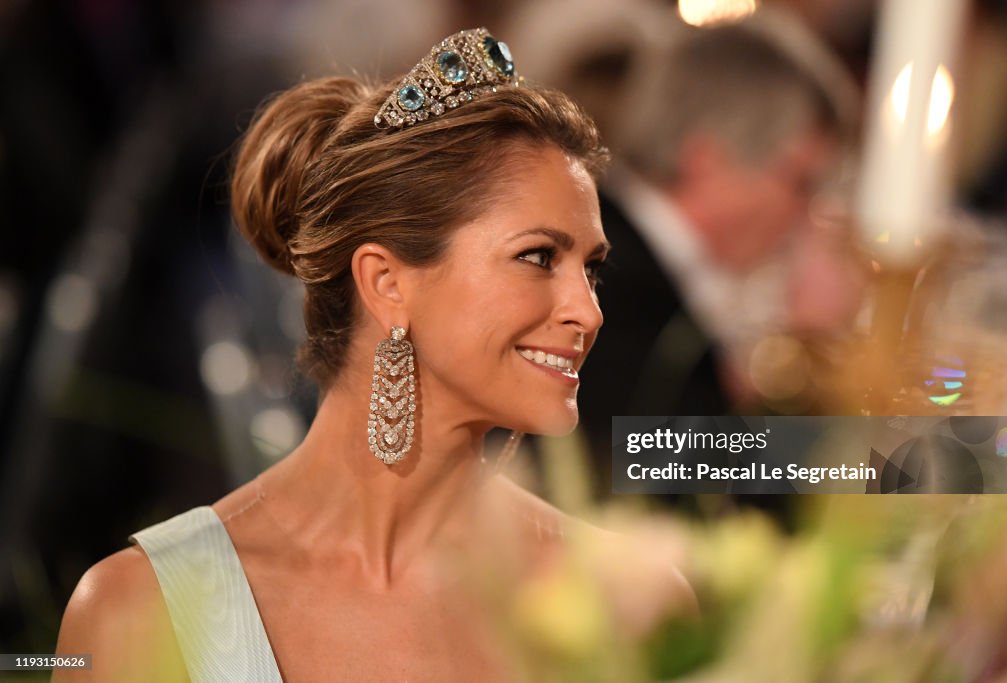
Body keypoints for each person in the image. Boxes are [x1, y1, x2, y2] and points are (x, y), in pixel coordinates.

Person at [52, 28, 693, 681]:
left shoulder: (631, 601)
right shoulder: (137, 609)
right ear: (386, 283)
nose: (588, 310)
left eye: (592, 270)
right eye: (538, 257)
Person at [576, 10, 861, 468]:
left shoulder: (626, 243)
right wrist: (811, 345)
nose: (807, 215)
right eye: (801, 182)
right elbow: (665, 466)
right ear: (707, 159)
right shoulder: (601, 267)